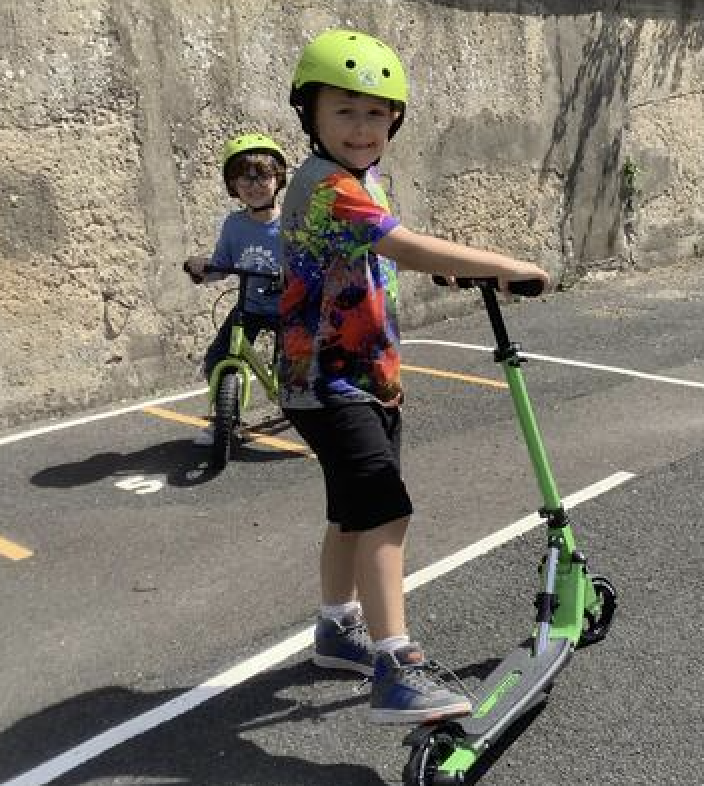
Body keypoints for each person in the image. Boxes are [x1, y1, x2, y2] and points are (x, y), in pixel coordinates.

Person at [280, 29, 551, 724]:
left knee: (353, 512)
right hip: (329, 382)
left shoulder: (355, 182)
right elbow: (400, 242)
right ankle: (396, 667)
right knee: (385, 508)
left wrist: (449, 266)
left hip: (361, 379)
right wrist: (504, 264)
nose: (363, 127)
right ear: (309, 113)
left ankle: (339, 629)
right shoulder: (323, 186)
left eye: (377, 114)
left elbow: (377, 253)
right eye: (345, 111)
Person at [184, 134, 288, 443]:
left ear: (278, 180)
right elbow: (222, 264)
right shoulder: (234, 225)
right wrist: (202, 270)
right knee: (219, 356)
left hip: (289, 307)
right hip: (250, 307)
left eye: (263, 176)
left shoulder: (291, 223)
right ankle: (224, 420)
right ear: (233, 187)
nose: (254, 186)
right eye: (245, 179)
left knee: (300, 366)